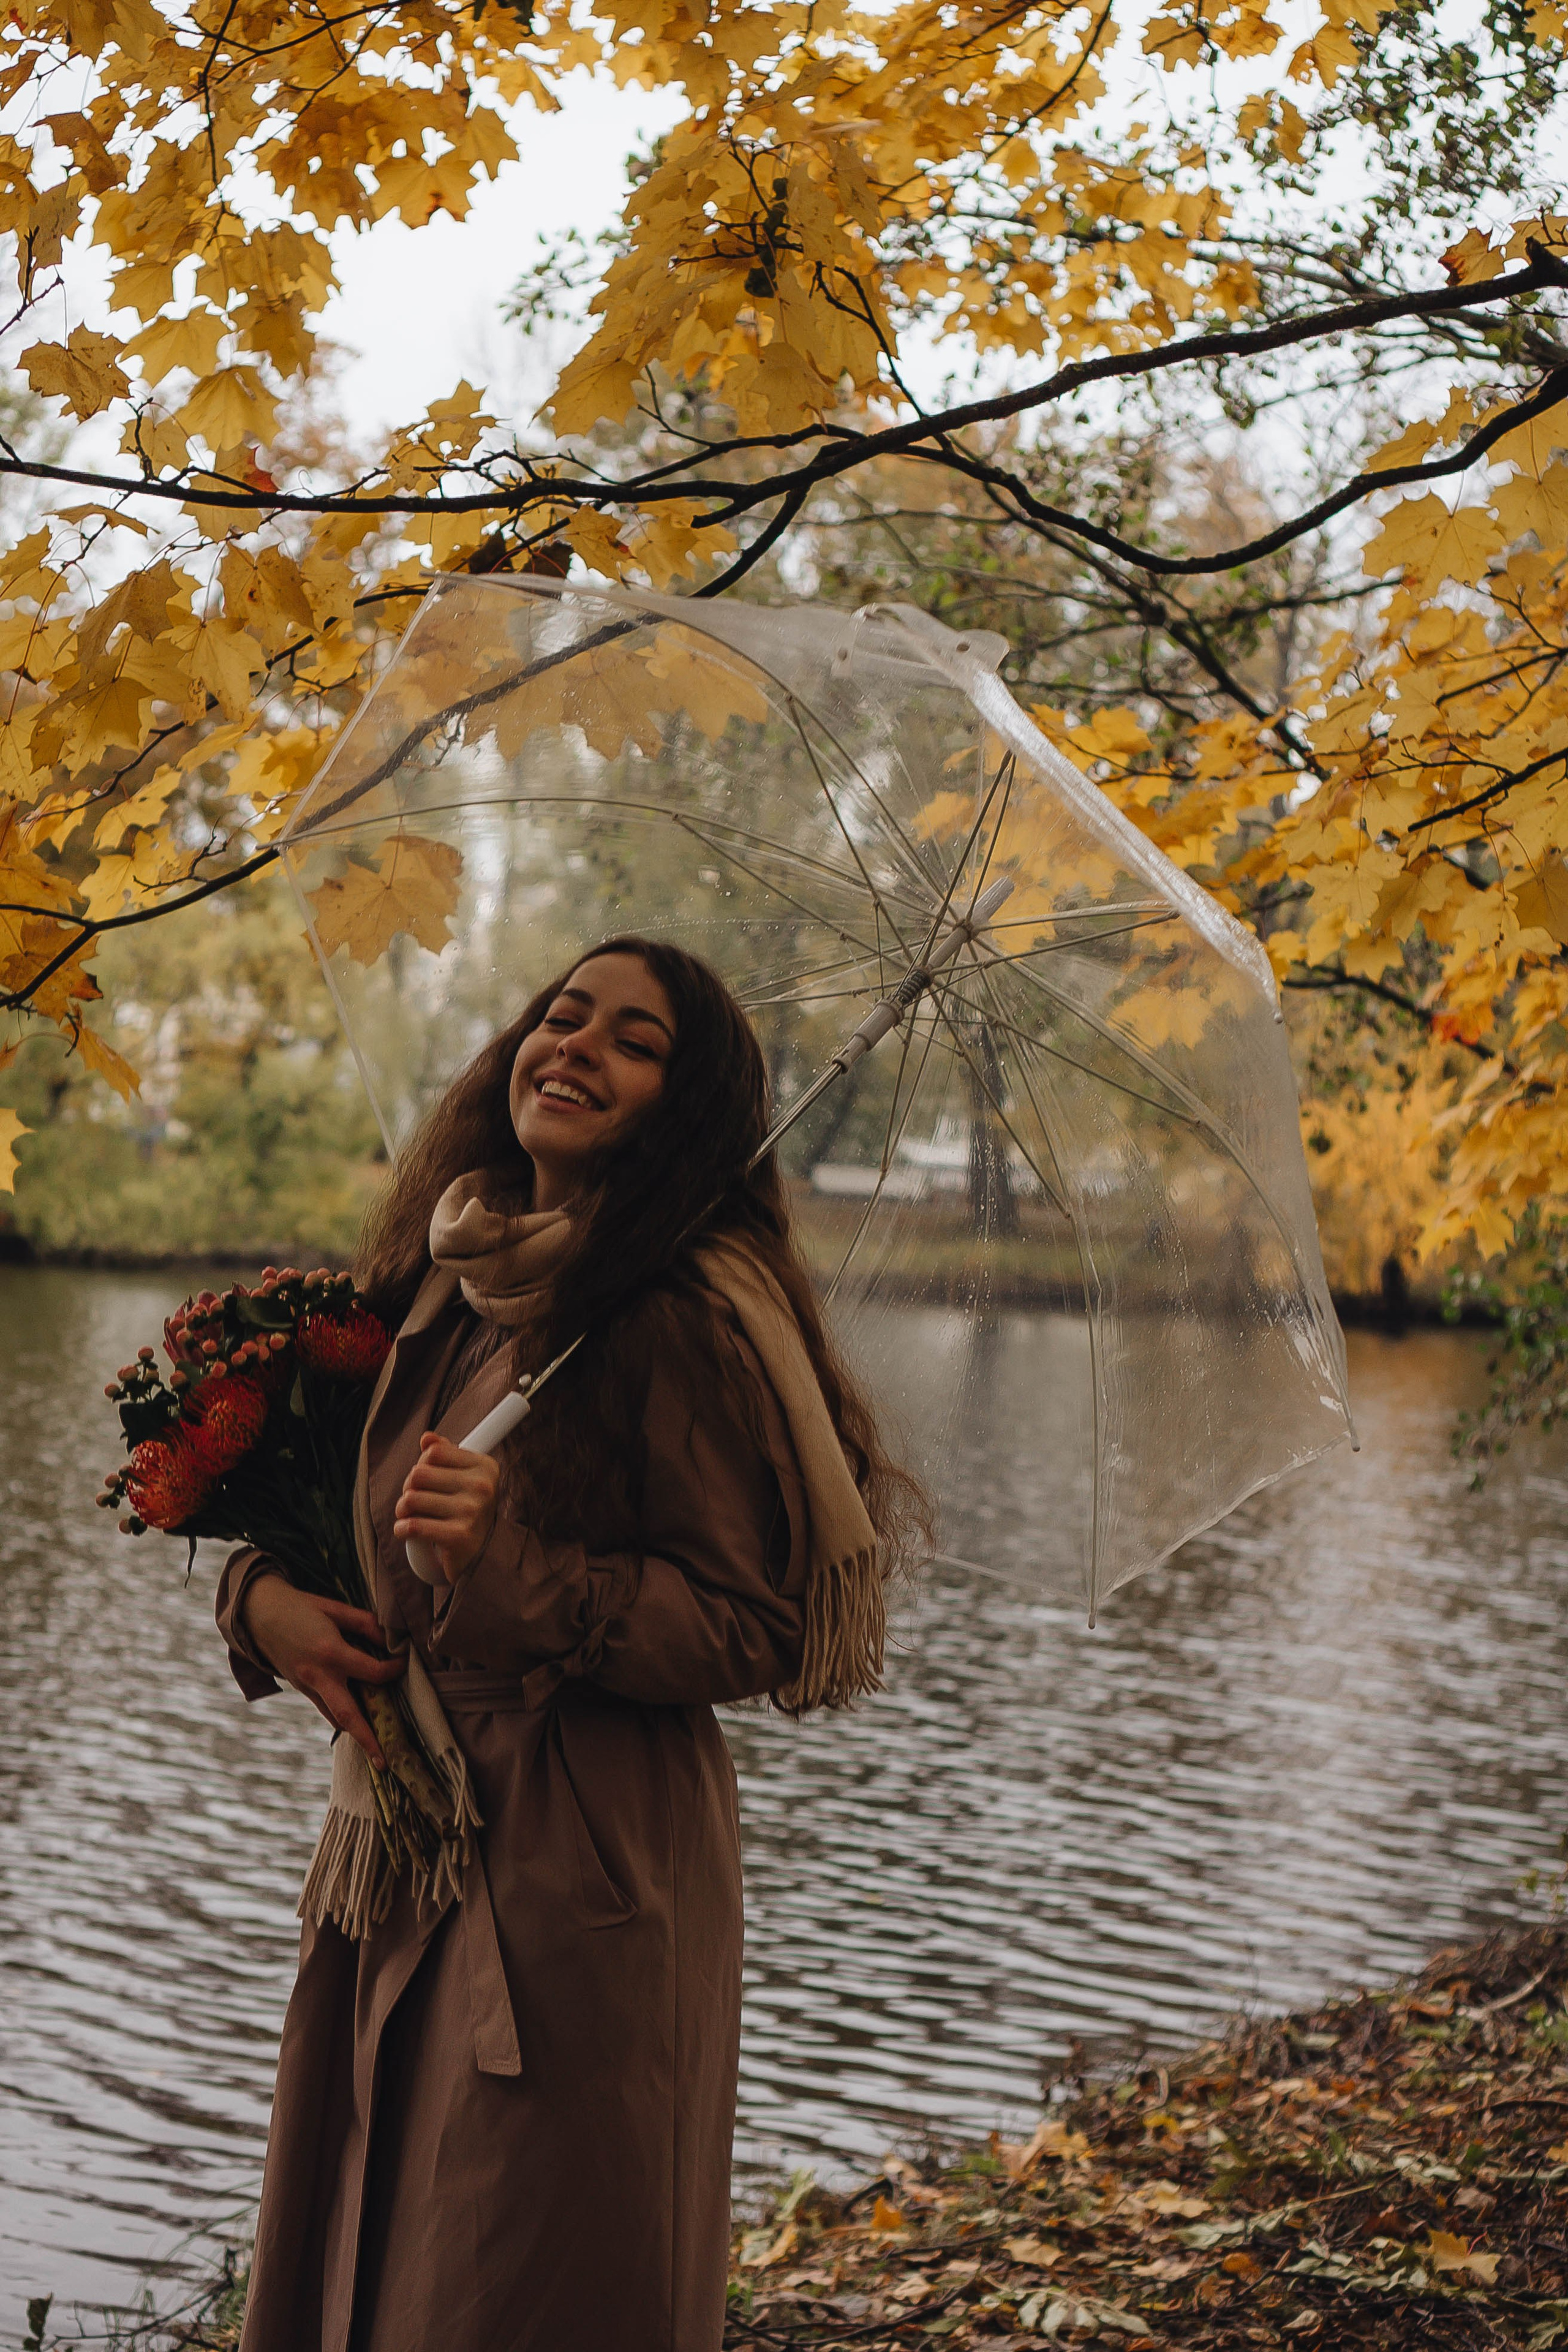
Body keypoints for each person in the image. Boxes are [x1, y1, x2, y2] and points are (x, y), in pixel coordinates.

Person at [215, 936, 929, 2352]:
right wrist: (259, 1606)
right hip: (397, 1837)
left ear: (685, 1107)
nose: (576, 1047)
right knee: (362, 2246)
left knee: (516, 2274)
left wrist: (515, 1569)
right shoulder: (443, 1283)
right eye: (562, 1015)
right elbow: (316, 1527)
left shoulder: (678, 1318)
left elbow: (755, 1627)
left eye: (633, 1040)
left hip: (580, 1869)